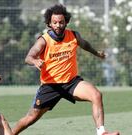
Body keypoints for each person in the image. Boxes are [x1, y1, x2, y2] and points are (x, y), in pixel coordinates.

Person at [12, 4, 120, 135]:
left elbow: (85, 44)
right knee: (31, 118)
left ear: (66, 22)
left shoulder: (73, 36)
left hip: (71, 83)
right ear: (49, 24)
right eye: (55, 23)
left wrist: (97, 53)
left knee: (96, 95)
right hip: (50, 86)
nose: (58, 25)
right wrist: (34, 61)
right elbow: (29, 57)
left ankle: (101, 132)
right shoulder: (44, 40)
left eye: (61, 22)